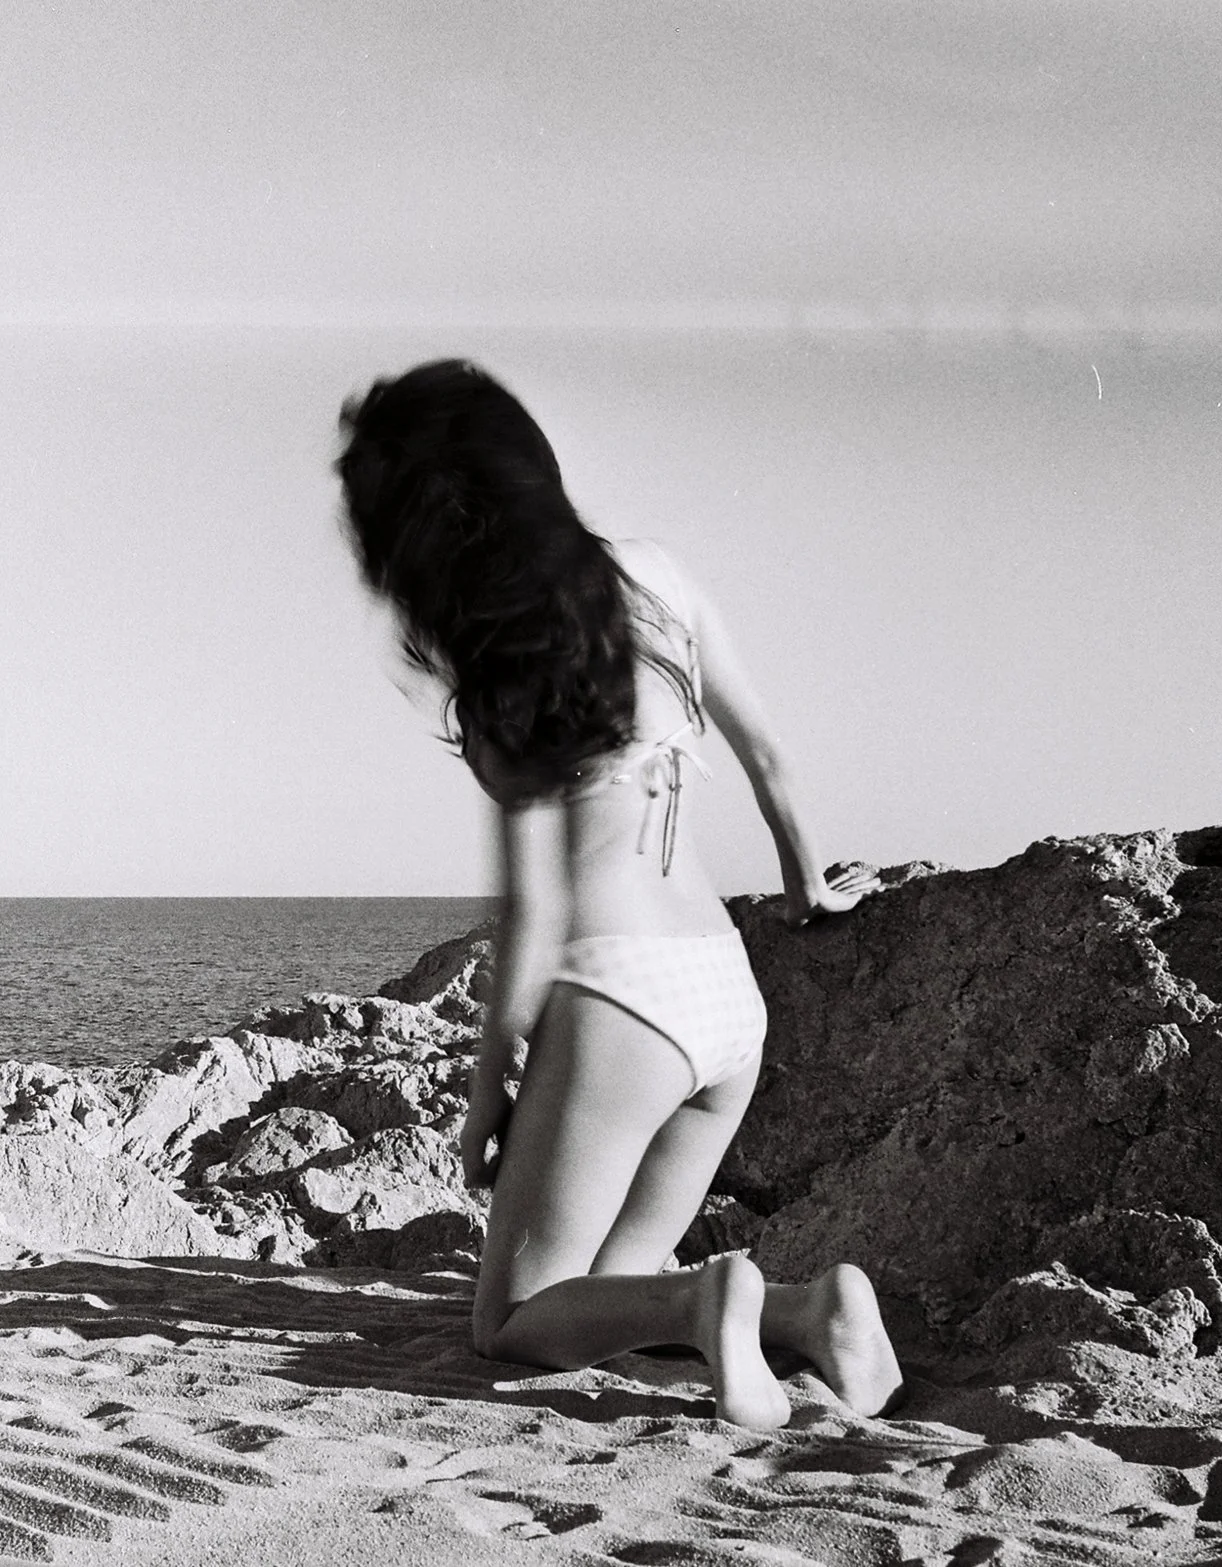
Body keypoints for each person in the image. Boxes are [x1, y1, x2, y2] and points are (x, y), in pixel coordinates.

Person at [336, 360, 902, 1429]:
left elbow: (536, 916)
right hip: (727, 999)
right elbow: (769, 757)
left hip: (621, 998)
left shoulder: (503, 667)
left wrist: (487, 1095)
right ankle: (808, 1313)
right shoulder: (657, 576)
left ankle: (708, 1293)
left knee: (510, 1318)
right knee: (608, 1295)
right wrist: (807, 890)